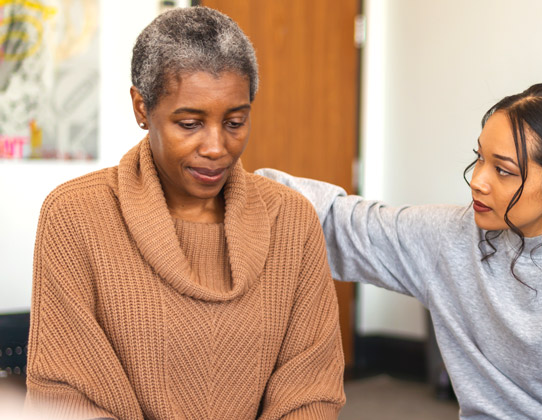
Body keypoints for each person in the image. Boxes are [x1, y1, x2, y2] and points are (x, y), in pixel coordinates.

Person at [257, 83, 542, 419]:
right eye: (479, 159)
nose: (478, 181)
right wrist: (233, 183)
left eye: (503, 171)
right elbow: (338, 220)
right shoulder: (453, 238)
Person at [25, 7, 345, 420]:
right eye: (190, 123)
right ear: (142, 108)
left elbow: (311, 388)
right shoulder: (76, 215)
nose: (216, 147)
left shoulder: (292, 220)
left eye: (235, 121)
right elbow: (64, 390)